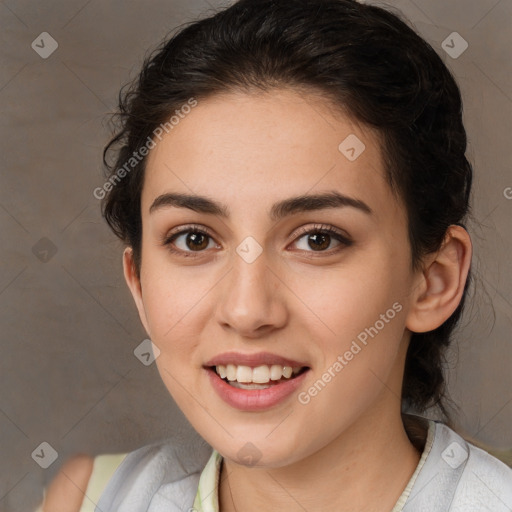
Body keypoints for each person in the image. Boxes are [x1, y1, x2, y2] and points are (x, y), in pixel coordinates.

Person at [37, 0, 512, 510]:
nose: (247, 311)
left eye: (318, 239)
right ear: (139, 284)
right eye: (195, 239)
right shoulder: (92, 498)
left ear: (433, 281)